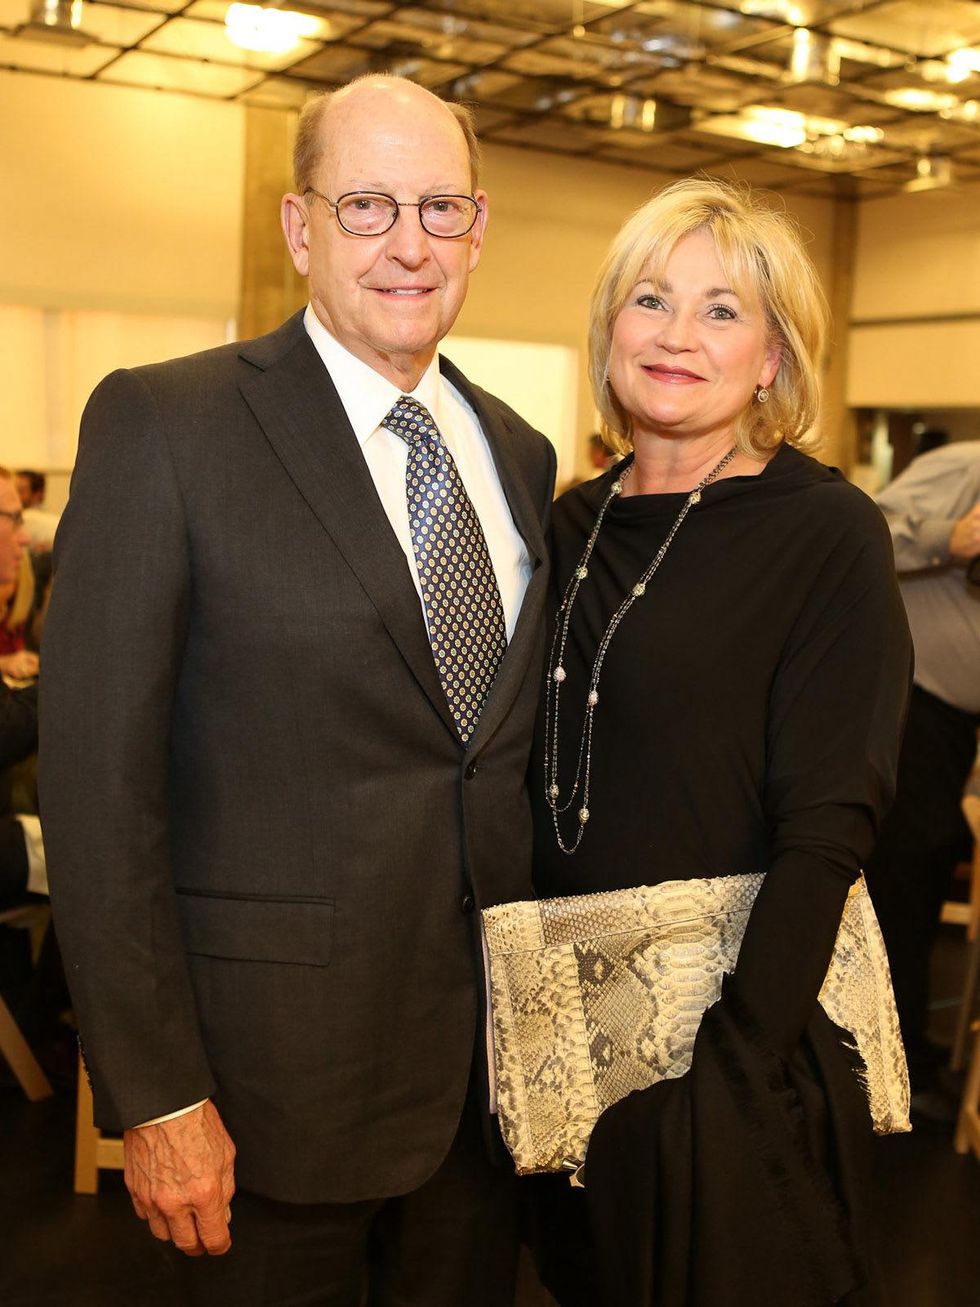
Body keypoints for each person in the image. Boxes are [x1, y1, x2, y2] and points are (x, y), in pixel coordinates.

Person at [39, 75, 555, 1306]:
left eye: (439, 207)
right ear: (298, 226)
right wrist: (157, 1092)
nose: (408, 242)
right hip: (263, 1105)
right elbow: (100, 790)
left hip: (486, 1100)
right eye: (367, 204)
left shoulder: (520, 452)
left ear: (478, 229)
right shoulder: (168, 423)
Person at [527, 179, 911, 1306]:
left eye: (720, 311)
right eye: (650, 300)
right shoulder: (563, 522)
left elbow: (830, 817)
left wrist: (733, 1065)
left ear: (773, 361)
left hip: (733, 1040)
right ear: (608, 333)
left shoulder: (824, 531)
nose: (676, 335)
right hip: (559, 1035)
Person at [863, 440, 980, 1116]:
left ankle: (906, 1049)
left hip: (960, 724)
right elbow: (867, 527)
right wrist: (948, 537)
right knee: (905, 876)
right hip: (915, 704)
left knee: (926, 873)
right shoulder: (963, 465)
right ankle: (892, 1064)